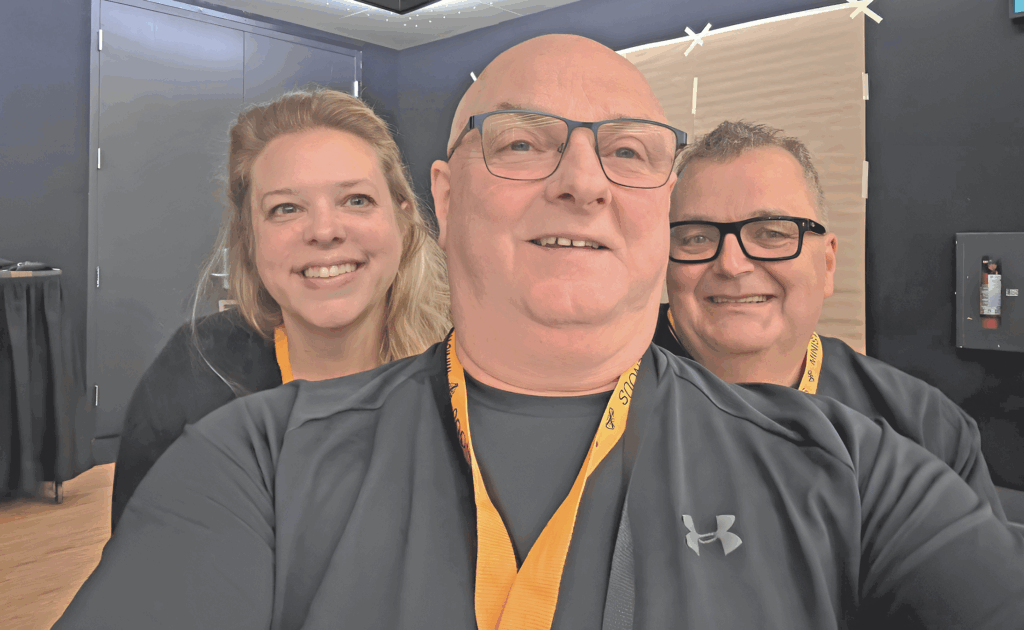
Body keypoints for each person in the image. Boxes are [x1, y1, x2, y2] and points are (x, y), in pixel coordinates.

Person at [56, 35, 1024, 630]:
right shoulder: (253, 459)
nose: (582, 180)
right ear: (443, 198)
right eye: (522, 141)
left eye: (628, 152)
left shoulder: (859, 469)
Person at [109, 88, 451, 530]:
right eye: (286, 208)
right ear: (249, 238)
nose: (324, 230)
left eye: (356, 200)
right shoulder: (195, 376)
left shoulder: (470, 374)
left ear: (402, 217)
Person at [654, 120, 1014, 526]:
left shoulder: (924, 428)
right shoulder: (605, 387)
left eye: (771, 233)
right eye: (696, 238)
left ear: (827, 264)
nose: (731, 264)